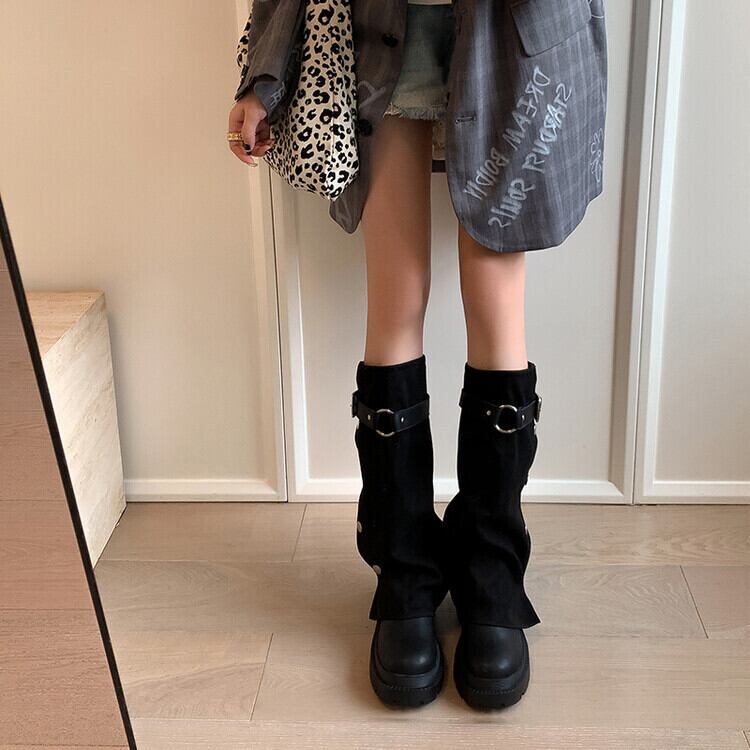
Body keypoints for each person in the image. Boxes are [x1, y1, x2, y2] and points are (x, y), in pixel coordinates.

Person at [228, 0, 607, 711]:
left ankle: (491, 575)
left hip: (514, 45)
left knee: (496, 310)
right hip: (383, 43)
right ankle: (405, 569)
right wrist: (265, 74)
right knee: (395, 302)